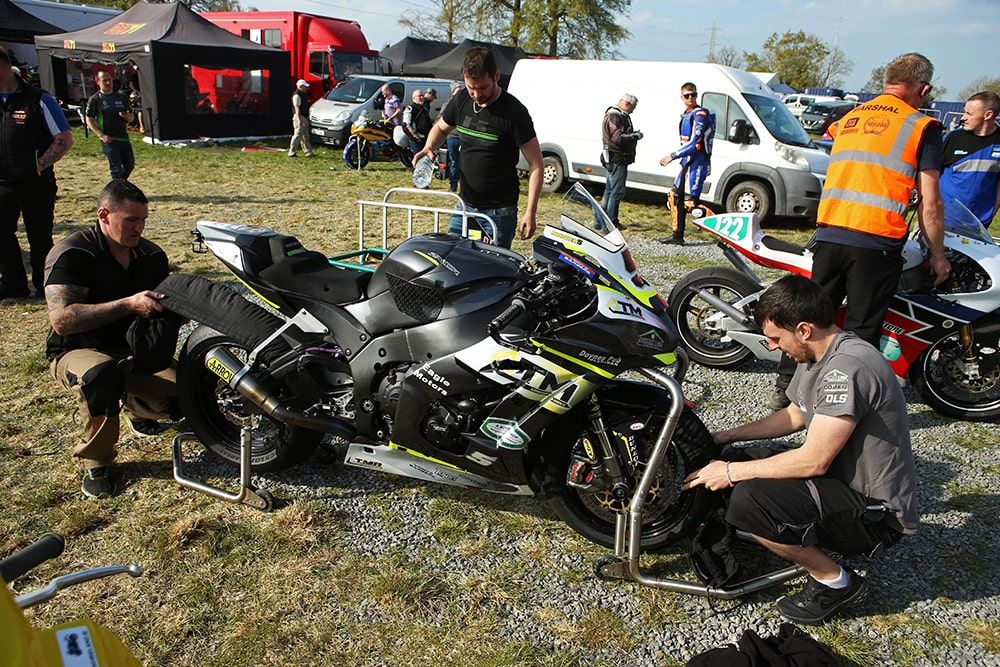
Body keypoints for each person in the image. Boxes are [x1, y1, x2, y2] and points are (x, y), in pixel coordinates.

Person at [684, 275, 917, 625]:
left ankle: (835, 582)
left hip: (875, 513)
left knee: (750, 498)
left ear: (804, 329)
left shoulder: (846, 369)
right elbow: (795, 414)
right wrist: (726, 438)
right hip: (840, 485)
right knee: (733, 460)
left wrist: (731, 473)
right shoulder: (817, 354)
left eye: (776, 338)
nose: (774, 347)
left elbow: (813, 460)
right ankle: (771, 530)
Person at [770, 53, 952, 410]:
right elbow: (931, 204)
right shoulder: (921, 126)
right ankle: (839, 408)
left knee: (808, 315)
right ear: (923, 88)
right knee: (860, 329)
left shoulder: (849, 117)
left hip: (830, 231)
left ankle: (786, 392)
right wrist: (939, 255)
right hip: (876, 240)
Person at [45, 180, 179, 499]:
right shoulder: (74, 253)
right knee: (100, 376)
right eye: (131, 219)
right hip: (78, 349)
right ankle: (97, 461)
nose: (139, 227)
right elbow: (62, 321)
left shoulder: (150, 254)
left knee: (189, 390)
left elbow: (166, 302)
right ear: (104, 214)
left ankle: (136, 407)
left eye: (143, 219)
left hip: (131, 350)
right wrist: (128, 304)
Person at [412, 47, 543, 249]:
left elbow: (536, 165)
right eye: (471, 87)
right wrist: (429, 146)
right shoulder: (462, 99)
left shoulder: (514, 112)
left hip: (499, 212)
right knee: (452, 259)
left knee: (492, 270)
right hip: (465, 206)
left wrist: (530, 211)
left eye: (482, 87)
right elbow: (441, 128)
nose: (476, 94)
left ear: (496, 76)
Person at [0, 44, 73, 300]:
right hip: (2, 184)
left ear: (4, 66)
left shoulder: (38, 99)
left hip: (35, 183)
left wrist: (38, 165)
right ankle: (12, 282)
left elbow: (64, 138)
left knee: (39, 236)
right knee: (2, 235)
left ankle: (45, 284)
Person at [659, 83, 714, 245]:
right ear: (682, 97)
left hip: (697, 163)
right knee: (675, 197)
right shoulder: (687, 114)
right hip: (687, 164)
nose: (690, 98)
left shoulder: (700, 114)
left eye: (693, 95)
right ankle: (677, 235)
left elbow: (695, 144)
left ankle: (725, 227)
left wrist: (673, 156)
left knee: (691, 204)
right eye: (687, 95)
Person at [939, 91, 1000, 228]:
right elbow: (929, 175)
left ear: (988, 115)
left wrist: (988, 217)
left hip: (976, 226)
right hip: (941, 219)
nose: (963, 118)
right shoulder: (953, 138)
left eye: (969, 114)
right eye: (964, 112)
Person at [600, 93, 642, 231]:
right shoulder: (616, 116)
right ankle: (612, 221)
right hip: (617, 158)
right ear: (626, 104)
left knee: (609, 190)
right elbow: (617, 138)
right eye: (633, 107)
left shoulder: (612, 114)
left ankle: (600, 220)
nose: (633, 111)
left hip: (610, 157)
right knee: (616, 192)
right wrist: (634, 136)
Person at [86, 70, 136, 180]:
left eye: (110, 80)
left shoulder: (121, 98)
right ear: (98, 82)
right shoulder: (96, 99)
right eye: (104, 81)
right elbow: (89, 119)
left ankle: (118, 185)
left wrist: (127, 116)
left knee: (129, 165)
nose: (108, 83)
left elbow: (131, 118)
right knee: (116, 168)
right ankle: (118, 190)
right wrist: (101, 135)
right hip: (109, 139)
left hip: (123, 137)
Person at [440, 81, 464, 193]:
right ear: (453, 92)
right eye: (458, 90)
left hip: (464, 138)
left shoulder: (466, 104)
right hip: (453, 137)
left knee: (465, 162)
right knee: (454, 161)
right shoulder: (447, 105)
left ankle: (465, 186)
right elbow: (440, 120)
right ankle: (453, 184)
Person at [288, 79, 315, 158]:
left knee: (305, 136)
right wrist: (299, 120)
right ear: (300, 87)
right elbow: (297, 108)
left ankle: (308, 152)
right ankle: (291, 152)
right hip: (299, 117)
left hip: (303, 117)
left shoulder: (301, 94)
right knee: (298, 135)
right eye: (305, 87)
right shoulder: (297, 95)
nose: (306, 88)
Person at [402, 88, 432, 154]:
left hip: (426, 139)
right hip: (416, 140)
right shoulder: (410, 109)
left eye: (422, 96)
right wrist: (415, 138)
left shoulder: (424, 109)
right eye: (419, 96)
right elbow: (406, 125)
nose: (421, 97)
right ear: (414, 98)